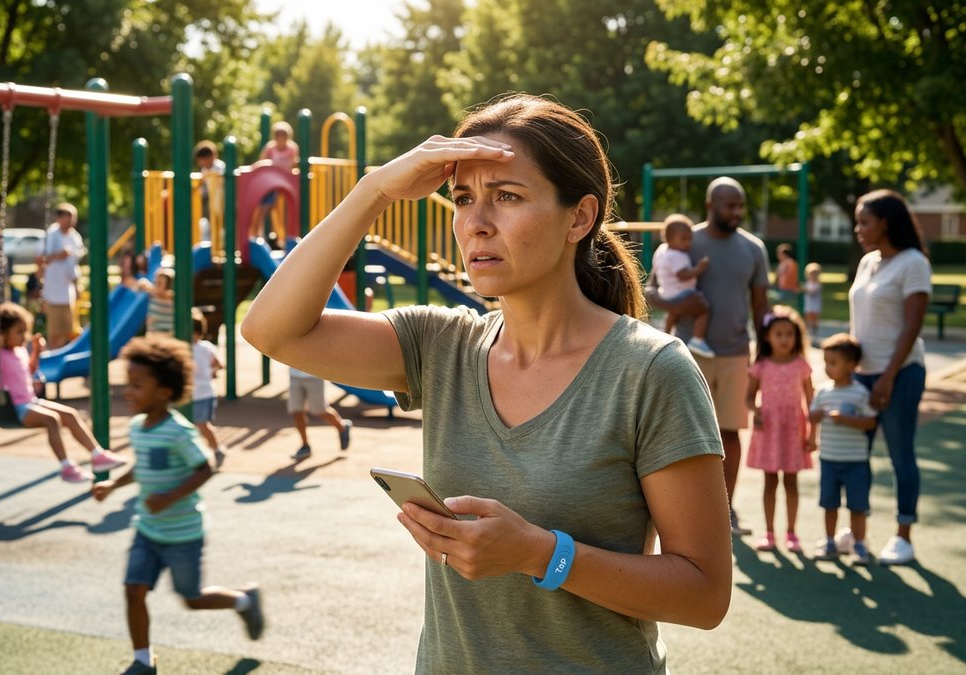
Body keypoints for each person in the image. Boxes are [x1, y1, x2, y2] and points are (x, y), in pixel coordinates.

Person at [241, 94, 731, 672]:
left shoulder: (652, 371)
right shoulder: (440, 346)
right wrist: (372, 189)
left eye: (507, 197)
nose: (476, 222)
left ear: (579, 217)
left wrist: (540, 554)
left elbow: (704, 594)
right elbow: (271, 330)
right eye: (463, 198)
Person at [93, 335, 265, 674]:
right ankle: (144, 660)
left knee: (192, 599)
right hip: (147, 529)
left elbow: (206, 467)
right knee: (133, 591)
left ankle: (244, 600)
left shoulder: (178, 431)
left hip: (183, 533)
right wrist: (113, 484)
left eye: (137, 385)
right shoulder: (138, 427)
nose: (128, 392)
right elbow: (141, 467)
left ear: (165, 392)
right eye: (128, 384)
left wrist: (170, 497)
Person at [647, 177, 770, 537]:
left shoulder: (754, 249)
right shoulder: (685, 239)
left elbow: (760, 305)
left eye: (740, 205)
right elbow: (653, 290)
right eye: (729, 205)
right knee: (683, 435)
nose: (736, 212)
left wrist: (766, 354)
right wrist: (676, 304)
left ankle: (726, 511)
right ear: (711, 205)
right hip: (688, 351)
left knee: (729, 432)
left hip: (734, 352)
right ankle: (683, 514)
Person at [849, 189, 931, 565]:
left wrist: (888, 377)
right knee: (854, 455)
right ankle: (857, 528)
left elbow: (912, 326)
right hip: (861, 374)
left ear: (886, 221)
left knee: (900, 454)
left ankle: (903, 534)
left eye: (865, 221)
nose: (858, 229)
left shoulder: (913, 263)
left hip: (900, 374)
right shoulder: (868, 263)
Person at [0, 302, 126, 482]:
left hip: (31, 402)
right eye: (19, 332)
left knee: (70, 415)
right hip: (13, 409)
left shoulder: (18, 351)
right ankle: (67, 466)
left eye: (25, 331)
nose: (24, 336)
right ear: (2, 335)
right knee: (52, 420)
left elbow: (29, 370)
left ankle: (98, 455)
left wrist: (36, 352)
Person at [745, 306, 814, 553]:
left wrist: (812, 434)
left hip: (793, 429)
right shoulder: (761, 365)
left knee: (792, 482)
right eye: (779, 334)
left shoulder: (801, 366)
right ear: (767, 337)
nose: (784, 339)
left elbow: (811, 401)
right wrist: (757, 411)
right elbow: (749, 397)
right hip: (769, 430)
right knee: (770, 481)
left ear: (797, 337)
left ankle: (792, 533)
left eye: (789, 334)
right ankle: (770, 533)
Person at [809, 333, 877, 566]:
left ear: (851, 365)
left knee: (858, 505)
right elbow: (812, 415)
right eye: (826, 362)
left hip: (856, 461)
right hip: (828, 459)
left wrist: (847, 419)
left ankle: (859, 545)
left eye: (833, 363)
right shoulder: (823, 391)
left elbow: (870, 421)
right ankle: (830, 542)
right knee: (829, 504)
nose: (828, 367)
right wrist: (814, 418)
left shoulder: (860, 393)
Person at [650, 213, 714, 357]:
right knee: (703, 310)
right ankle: (698, 339)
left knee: (674, 312)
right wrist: (699, 268)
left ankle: (665, 332)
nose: (688, 243)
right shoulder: (679, 256)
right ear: (670, 239)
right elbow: (683, 275)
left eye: (689, 239)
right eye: (683, 239)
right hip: (681, 293)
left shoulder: (662, 250)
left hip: (666, 292)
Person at [41, 203, 84, 349]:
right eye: (68, 218)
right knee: (54, 331)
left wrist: (77, 285)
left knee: (70, 329)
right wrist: (59, 255)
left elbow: (75, 263)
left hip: (68, 290)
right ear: (59, 218)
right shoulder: (52, 234)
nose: (71, 221)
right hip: (53, 290)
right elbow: (43, 258)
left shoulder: (74, 237)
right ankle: (53, 353)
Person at [287, 367, 352, 460]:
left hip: (314, 374)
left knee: (319, 410)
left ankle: (342, 427)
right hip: (294, 375)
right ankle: (305, 446)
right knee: (296, 411)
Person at [249, 121, 300, 242]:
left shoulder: (292, 149)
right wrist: (253, 169)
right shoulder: (270, 148)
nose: (281, 139)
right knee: (265, 206)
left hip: (286, 183)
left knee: (284, 209)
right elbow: (262, 162)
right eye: (278, 136)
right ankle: (257, 235)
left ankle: (284, 236)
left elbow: (294, 165)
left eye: (283, 136)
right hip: (271, 183)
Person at [189, 312, 226, 467]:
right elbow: (218, 364)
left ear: (196, 333)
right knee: (195, 425)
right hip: (199, 393)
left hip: (202, 393)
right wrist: (212, 370)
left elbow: (219, 363)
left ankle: (217, 450)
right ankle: (199, 453)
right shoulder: (203, 347)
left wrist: (212, 370)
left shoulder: (201, 348)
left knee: (201, 424)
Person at [194, 140, 227, 241]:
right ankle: (212, 241)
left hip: (221, 199)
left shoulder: (220, 168)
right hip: (210, 200)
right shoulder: (205, 170)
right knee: (209, 219)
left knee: (222, 221)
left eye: (201, 160)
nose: (200, 163)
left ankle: (221, 242)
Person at [142, 265, 174, 337]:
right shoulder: (153, 295)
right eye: (155, 282)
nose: (156, 286)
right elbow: (142, 284)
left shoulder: (172, 299)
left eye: (159, 283)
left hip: (168, 335)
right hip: (153, 334)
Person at [803, 262, 823, 339]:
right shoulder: (808, 283)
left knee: (815, 319)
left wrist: (804, 289)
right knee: (807, 318)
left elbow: (812, 292)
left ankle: (815, 333)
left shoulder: (818, 284)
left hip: (815, 305)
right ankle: (807, 333)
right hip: (808, 304)